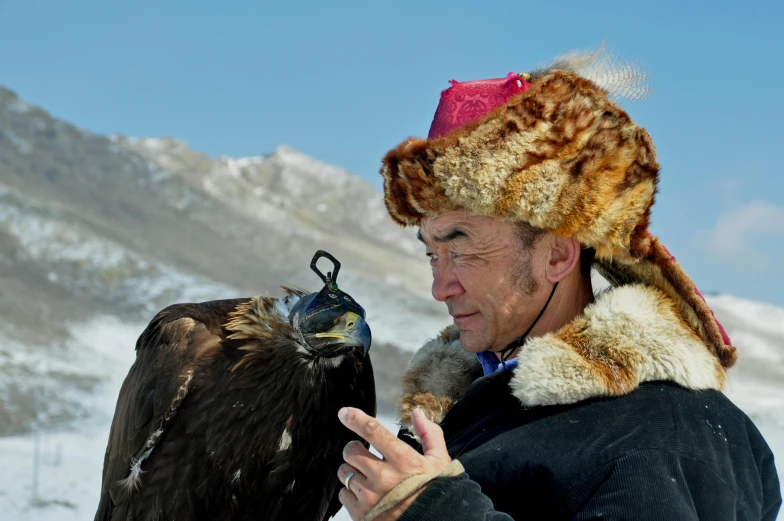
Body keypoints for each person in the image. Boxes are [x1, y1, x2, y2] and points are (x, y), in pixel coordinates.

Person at [335, 49, 782, 521]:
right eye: (432, 254)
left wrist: (430, 512)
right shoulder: (474, 408)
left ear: (557, 254)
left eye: (461, 247)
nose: (440, 286)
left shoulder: (659, 437)